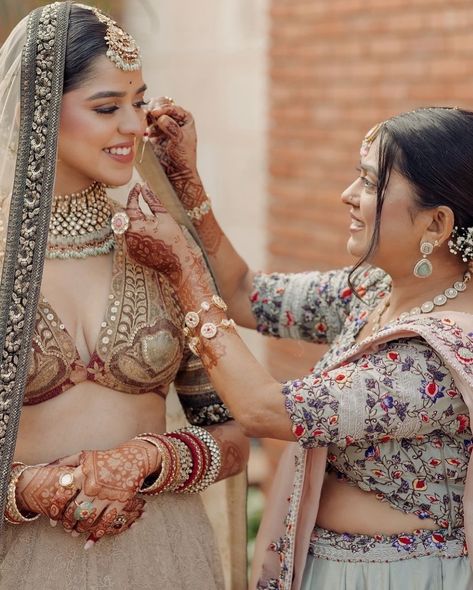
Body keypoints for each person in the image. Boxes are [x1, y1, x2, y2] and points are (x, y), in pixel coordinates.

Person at [125, 101, 473, 590]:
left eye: (371, 183)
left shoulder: (445, 354)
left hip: (402, 577)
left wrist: (184, 270)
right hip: (324, 566)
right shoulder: (375, 289)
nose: (347, 195)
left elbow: (265, 411)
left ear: (436, 225)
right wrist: (187, 181)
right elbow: (246, 293)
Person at [0, 3, 249, 589]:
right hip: (29, 562)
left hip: (166, 554)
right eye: (108, 107)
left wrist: (151, 460)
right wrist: (36, 490)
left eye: (139, 102)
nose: (135, 127)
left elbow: (235, 434)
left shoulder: (158, 246)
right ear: (39, 114)